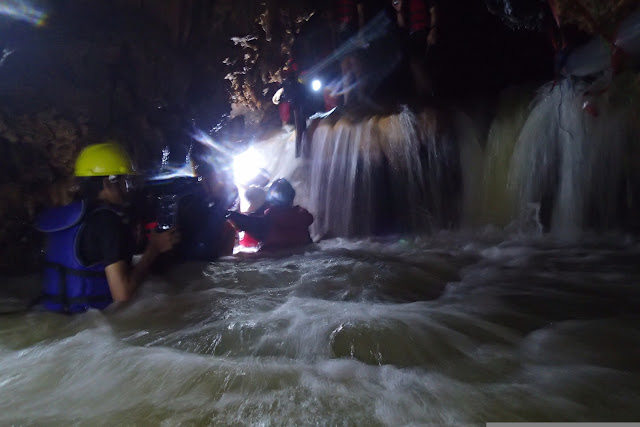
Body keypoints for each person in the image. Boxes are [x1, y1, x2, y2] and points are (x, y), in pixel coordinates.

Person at [35, 142, 180, 313]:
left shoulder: (73, 215)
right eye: (125, 181)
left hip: (54, 314)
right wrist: (154, 249)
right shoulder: (107, 221)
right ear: (108, 183)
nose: (129, 188)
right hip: (88, 322)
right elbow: (122, 294)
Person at [171, 155, 237, 262]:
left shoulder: (227, 226)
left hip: (205, 266)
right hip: (185, 263)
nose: (226, 183)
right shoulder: (189, 200)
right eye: (222, 177)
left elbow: (224, 262)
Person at [227, 178, 313, 252]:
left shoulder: (266, 222)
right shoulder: (303, 218)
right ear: (292, 196)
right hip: (305, 254)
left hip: (270, 259)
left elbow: (242, 221)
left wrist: (228, 214)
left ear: (270, 198)